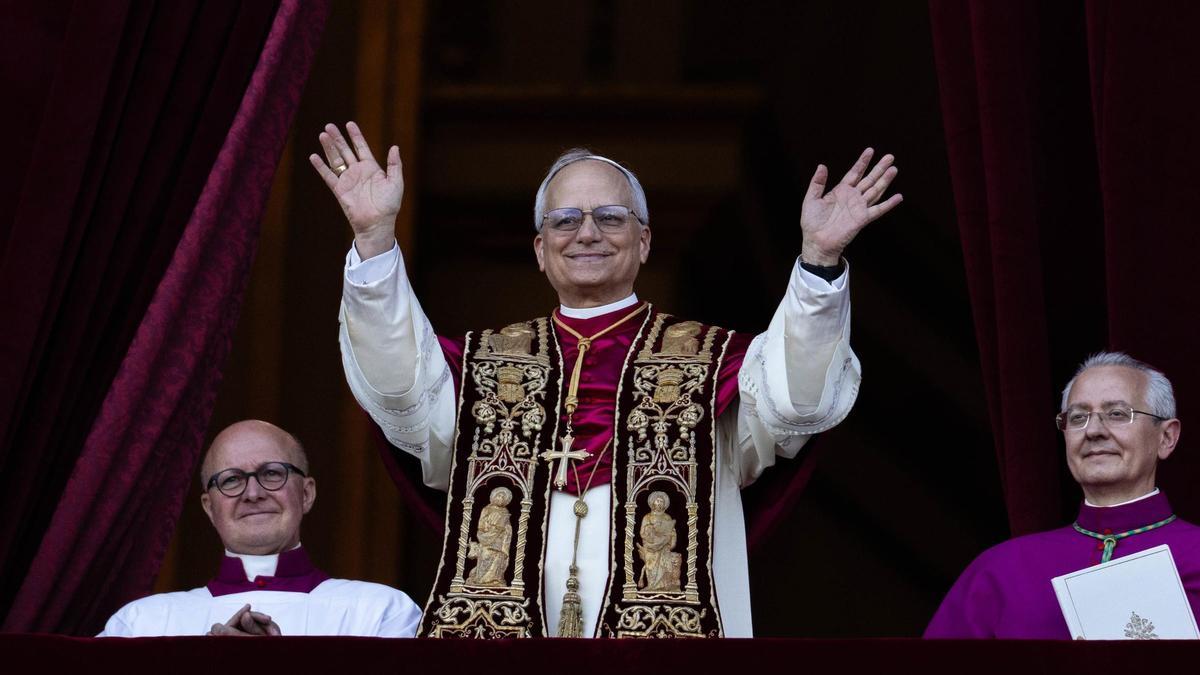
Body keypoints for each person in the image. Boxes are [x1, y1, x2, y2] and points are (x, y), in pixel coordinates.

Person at [312, 122, 902, 637]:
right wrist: (374, 242)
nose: (587, 232)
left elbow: (796, 402)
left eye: (610, 217)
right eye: (565, 220)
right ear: (540, 250)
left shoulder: (712, 363)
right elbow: (399, 393)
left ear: (644, 241)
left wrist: (818, 262)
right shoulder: (484, 367)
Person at [925, 352, 1200, 638]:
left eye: (1117, 414)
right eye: (1078, 417)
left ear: (1166, 437)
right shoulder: (1002, 569)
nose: (1093, 430)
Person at [99, 420, 422, 637]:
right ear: (209, 508)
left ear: (306, 494)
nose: (253, 494)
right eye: (231, 480)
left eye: (271, 473)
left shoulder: (380, 613)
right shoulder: (140, 625)